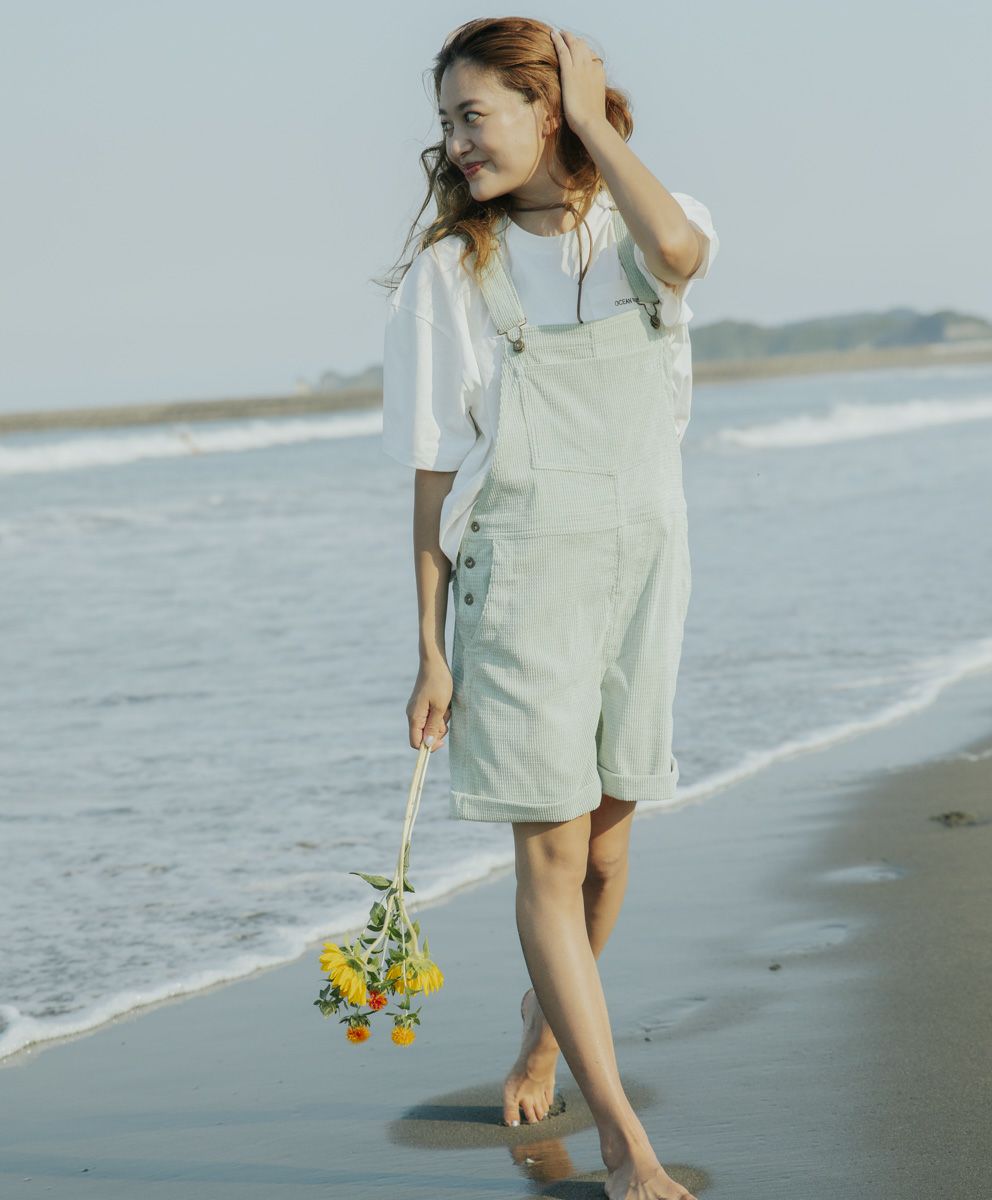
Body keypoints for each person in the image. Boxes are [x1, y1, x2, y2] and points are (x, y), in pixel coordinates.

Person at [379, 17, 718, 1200]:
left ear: (548, 109)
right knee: (552, 851)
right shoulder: (448, 277)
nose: (456, 144)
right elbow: (432, 478)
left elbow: (681, 251)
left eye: (474, 115)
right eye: (445, 124)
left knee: (608, 852)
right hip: (520, 579)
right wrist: (430, 650)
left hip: (645, 566)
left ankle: (542, 1029)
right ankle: (625, 1144)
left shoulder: (639, 224)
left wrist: (591, 124)